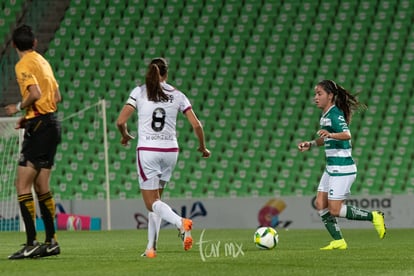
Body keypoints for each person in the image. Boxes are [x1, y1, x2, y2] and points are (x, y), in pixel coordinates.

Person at [116, 57, 211, 258]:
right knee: (157, 200)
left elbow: (120, 121)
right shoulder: (178, 95)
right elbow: (196, 125)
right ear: (166, 74)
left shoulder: (139, 92)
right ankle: (151, 248)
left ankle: (180, 223)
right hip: (170, 152)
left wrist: (124, 135)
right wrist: (202, 147)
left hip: (148, 150)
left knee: (151, 203)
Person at [298, 80, 386, 250]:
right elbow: (327, 138)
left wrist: (330, 134)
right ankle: (339, 241)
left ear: (330, 96)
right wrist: (311, 144)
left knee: (335, 210)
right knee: (320, 204)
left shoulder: (334, 114)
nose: (316, 97)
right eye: (315, 94)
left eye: (319, 94)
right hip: (331, 168)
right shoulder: (326, 114)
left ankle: (374, 216)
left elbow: (346, 134)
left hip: (343, 168)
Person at [4, 25, 61, 259]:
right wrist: (27, 117)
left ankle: (31, 243)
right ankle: (51, 242)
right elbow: (56, 96)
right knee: (42, 187)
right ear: (35, 43)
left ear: (14, 45)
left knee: (22, 185)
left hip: (39, 129)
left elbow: (35, 93)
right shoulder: (43, 61)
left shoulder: (23, 65)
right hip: (51, 124)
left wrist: (19, 106)